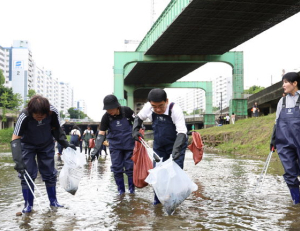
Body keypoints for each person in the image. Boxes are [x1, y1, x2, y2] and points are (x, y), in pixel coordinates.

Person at [10, 95, 76, 213]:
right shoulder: (24, 114)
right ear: (31, 111)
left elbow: (56, 129)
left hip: (46, 144)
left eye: (43, 115)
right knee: (27, 174)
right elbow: (15, 138)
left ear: (48, 112)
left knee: (50, 173)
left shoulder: (53, 112)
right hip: (27, 145)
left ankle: (53, 202)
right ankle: (28, 205)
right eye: (36, 115)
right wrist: (18, 161)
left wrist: (65, 143)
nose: (40, 117)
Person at [132, 88, 188, 205]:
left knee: (174, 174)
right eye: (154, 106)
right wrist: (135, 129)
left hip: (177, 143)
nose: (157, 109)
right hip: (159, 144)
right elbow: (139, 118)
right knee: (158, 173)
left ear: (166, 101)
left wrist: (176, 150)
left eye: (161, 106)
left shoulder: (175, 109)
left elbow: (182, 132)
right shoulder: (148, 107)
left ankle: (173, 202)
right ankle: (157, 201)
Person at [90, 94, 135, 195]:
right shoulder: (106, 117)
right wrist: (96, 149)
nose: (109, 111)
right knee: (116, 168)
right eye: (107, 109)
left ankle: (132, 191)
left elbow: (137, 122)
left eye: (111, 109)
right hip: (115, 146)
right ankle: (121, 191)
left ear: (117, 106)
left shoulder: (127, 111)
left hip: (129, 144)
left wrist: (138, 131)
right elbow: (101, 133)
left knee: (130, 168)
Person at [270, 72, 300, 204]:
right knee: (289, 174)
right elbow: (277, 122)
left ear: (295, 83)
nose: (283, 85)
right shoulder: (281, 101)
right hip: (284, 143)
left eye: (286, 82)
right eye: (283, 82)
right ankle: (296, 202)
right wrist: (273, 140)